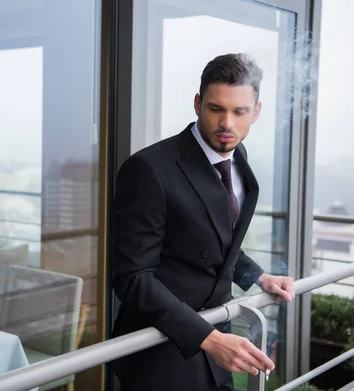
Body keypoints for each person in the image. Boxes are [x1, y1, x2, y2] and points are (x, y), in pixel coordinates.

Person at [110, 53, 296, 391]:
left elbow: (210, 240)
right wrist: (208, 338)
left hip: (217, 340)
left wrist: (257, 277)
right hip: (159, 351)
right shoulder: (149, 169)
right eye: (216, 109)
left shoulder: (238, 155)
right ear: (197, 104)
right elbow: (131, 278)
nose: (227, 124)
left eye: (239, 112)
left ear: (256, 111)